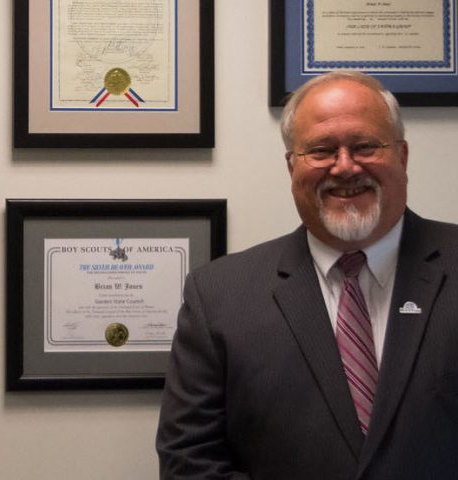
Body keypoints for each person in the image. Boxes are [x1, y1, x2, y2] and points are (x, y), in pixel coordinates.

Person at [156, 71, 458, 479]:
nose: (345, 167)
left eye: (365, 145)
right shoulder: (218, 296)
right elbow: (190, 460)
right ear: (291, 166)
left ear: (402, 156)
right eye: (321, 150)